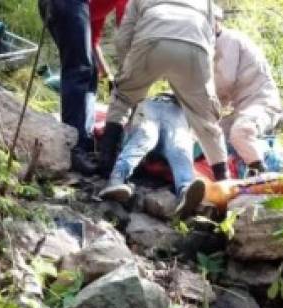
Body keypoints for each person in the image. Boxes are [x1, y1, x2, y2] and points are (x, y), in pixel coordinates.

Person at [98, 0, 229, 183]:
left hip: (151, 40)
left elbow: (123, 38)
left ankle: (106, 164)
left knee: (123, 97)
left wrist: (128, 69)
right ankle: (223, 179)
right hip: (195, 45)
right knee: (205, 118)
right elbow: (211, 37)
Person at [39, 0, 127, 175]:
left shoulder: (95, 9)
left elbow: (92, 43)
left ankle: (84, 143)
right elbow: (126, 34)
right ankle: (73, 147)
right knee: (78, 70)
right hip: (68, 4)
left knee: (88, 70)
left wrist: (108, 74)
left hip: (60, 6)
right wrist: (128, 81)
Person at [98, 94, 205, 217]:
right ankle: (116, 179)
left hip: (177, 109)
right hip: (154, 103)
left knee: (177, 145)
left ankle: (186, 191)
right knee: (147, 136)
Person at [213, 7, 283, 175]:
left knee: (240, 132)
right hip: (242, 108)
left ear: (216, 22)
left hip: (262, 103)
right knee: (212, 135)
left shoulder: (229, 40)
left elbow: (224, 83)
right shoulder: (215, 46)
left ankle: (260, 174)